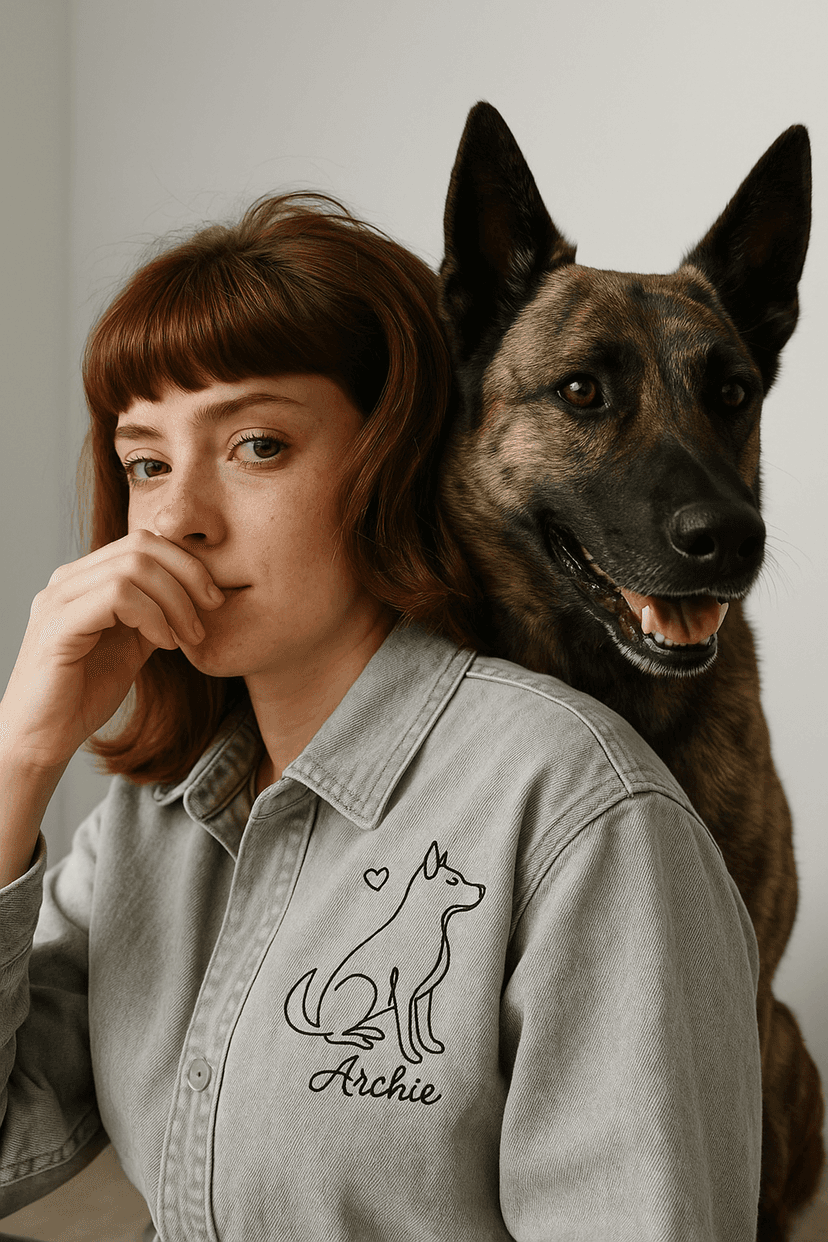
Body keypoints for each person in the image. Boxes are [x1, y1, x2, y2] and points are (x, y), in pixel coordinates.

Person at [0, 192, 761, 1241]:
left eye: (257, 445)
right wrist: (19, 760)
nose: (175, 518)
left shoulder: (584, 815)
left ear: (398, 458)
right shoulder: (153, 823)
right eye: (147, 462)